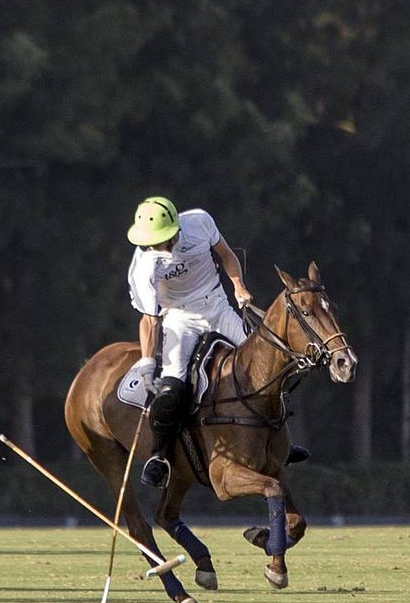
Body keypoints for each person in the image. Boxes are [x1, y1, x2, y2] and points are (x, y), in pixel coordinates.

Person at [125, 196, 306, 490]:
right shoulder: (142, 265)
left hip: (218, 306)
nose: (155, 247)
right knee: (172, 389)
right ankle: (159, 456)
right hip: (178, 319)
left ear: (175, 230)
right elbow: (150, 319)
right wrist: (147, 362)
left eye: (160, 240)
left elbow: (226, 255)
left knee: (267, 364)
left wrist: (239, 287)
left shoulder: (199, 222)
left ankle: (281, 441)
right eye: (150, 242)